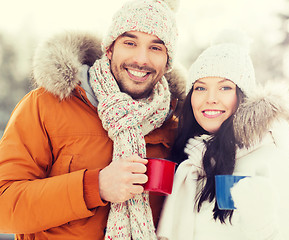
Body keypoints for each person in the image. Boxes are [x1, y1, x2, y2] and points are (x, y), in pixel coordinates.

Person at [0, 0, 185, 239]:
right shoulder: (46, 105)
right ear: (109, 49)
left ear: (168, 62)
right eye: (130, 43)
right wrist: (94, 186)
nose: (141, 59)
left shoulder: (175, 122)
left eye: (156, 48)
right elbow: (5, 206)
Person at [156, 42, 289, 240]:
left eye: (225, 87)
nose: (211, 98)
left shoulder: (271, 161)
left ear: (243, 96)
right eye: (200, 88)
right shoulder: (189, 160)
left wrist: (261, 225)